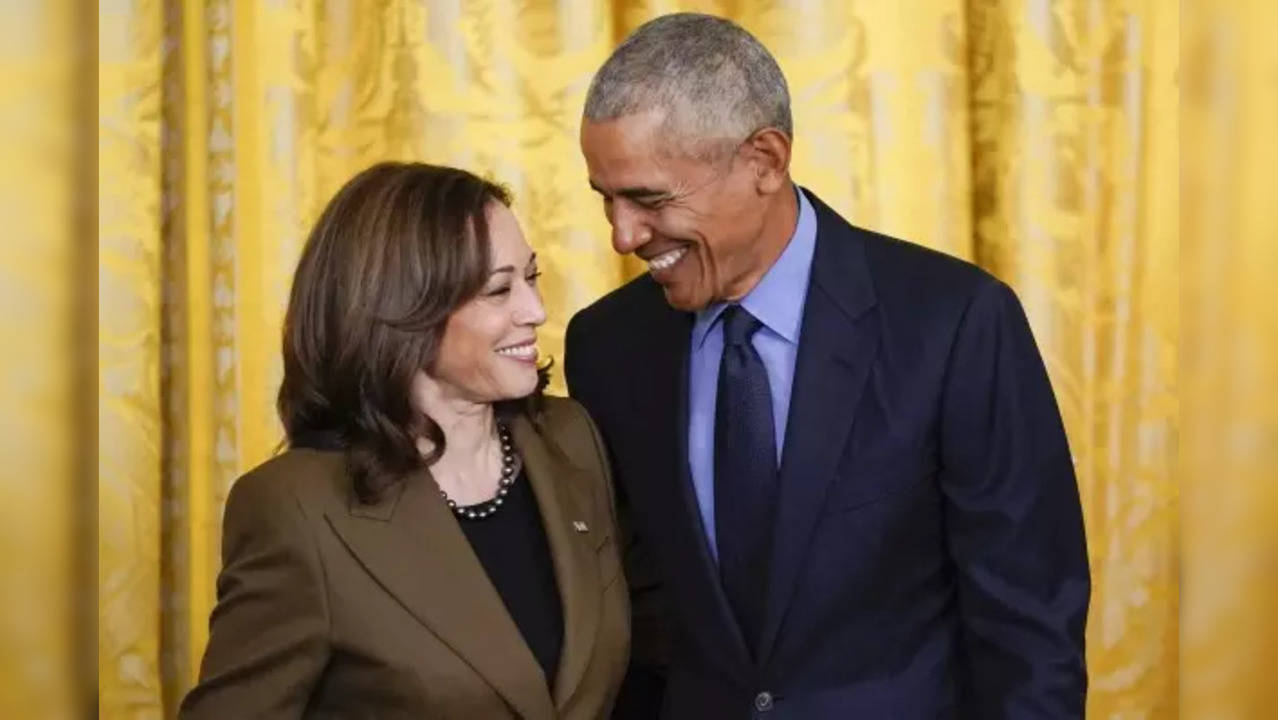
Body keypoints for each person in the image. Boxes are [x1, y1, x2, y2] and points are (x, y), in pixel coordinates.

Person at [565, 13, 1090, 719]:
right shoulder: (607, 344)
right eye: (607, 200)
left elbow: (1029, 627)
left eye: (650, 200)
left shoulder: (954, 323)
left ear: (765, 161)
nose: (624, 235)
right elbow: (631, 613)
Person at [180, 163, 629, 719]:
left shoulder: (571, 438)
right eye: (498, 290)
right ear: (403, 311)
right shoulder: (295, 508)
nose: (534, 311)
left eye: (531, 278)